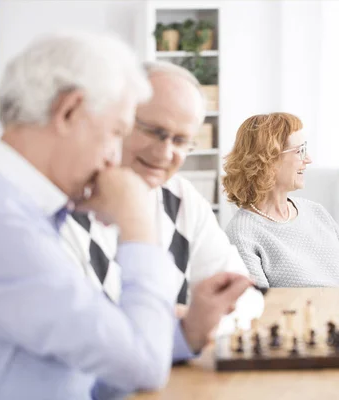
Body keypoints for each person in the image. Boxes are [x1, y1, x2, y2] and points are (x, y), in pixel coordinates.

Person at [0, 32, 183, 399]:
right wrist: (138, 225)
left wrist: (186, 334)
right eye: (116, 132)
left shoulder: (16, 209)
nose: (114, 160)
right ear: (68, 111)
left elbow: (85, 373)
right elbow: (143, 365)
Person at [62, 61, 253, 360]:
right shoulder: (62, 206)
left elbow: (242, 297)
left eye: (180, 140)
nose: (165, 153)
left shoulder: (182, 198)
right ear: (116, 121)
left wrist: (187, 324)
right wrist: (182, 324)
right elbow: (82, 336)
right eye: (154, 132)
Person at [223, 113, 339, 289]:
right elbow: (259, 303)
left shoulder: (315, 211)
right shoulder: (242, 233)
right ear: (268, 159)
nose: (308, 159)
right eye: (300, 150)